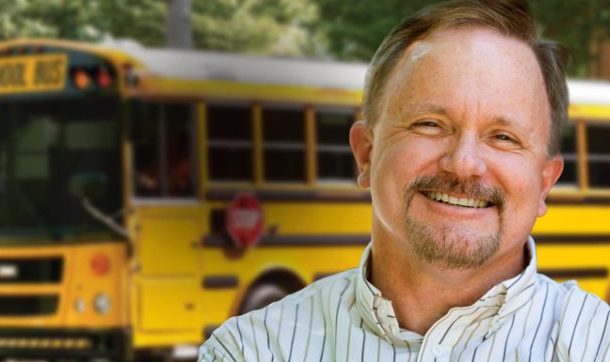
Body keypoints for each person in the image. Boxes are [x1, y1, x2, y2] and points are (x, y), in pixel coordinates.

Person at [199, 1, 610, 360]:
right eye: (429, 124)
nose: (463, 164)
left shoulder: (598, 344)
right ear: (365, 153)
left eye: (504, 137)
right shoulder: (252, 349)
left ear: (544, 183)